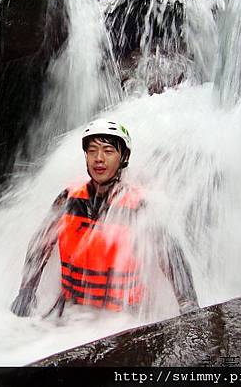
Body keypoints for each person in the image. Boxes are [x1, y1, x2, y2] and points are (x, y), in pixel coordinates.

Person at [11, 118, 198, 317]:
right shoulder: (69, 198)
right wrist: (26, 290)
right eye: (92, 151)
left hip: (123, 318)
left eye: (108, 151)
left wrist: (189, 305)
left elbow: (171, 256)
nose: (98, 158)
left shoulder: (139, 206)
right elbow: (41, 244)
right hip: (71, 312)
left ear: (123, 157)